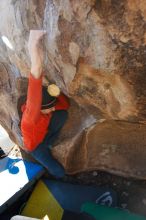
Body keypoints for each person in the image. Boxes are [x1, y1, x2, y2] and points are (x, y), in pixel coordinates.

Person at [19, 30, 70, 178]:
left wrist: (56, 93)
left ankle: (49, 141)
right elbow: (35, 78)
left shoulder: (44, 109)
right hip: (35, 146)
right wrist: (32, 46)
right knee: (59, 171)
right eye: (49, 108)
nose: (52, 109)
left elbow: (64, 106)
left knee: (62, 114)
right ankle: (59, 178)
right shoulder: (31, 115)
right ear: (39, 108)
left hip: (44, 133)